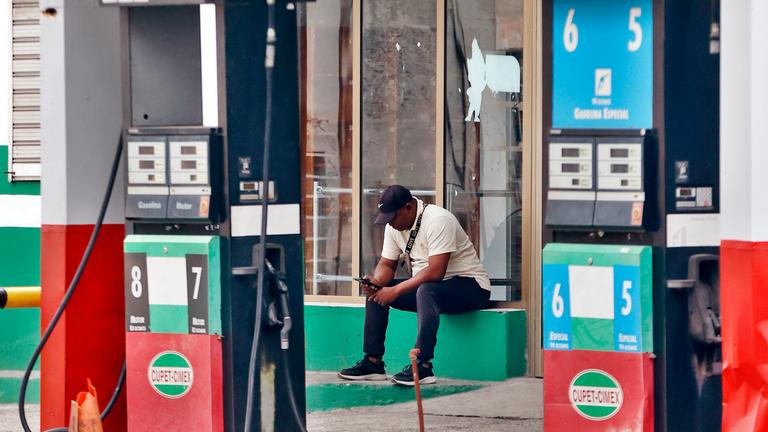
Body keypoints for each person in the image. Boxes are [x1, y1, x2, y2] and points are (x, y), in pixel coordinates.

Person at [338, 185, 491, 386]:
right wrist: (377, 283)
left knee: (426, 289)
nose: (390, 224)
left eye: (393, 217)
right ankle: (373, 362)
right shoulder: (394, 226)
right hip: (431, 291)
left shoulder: (438, 220)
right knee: (377, 293)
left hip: (471, 287)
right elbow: (387, 264)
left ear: (409, 207)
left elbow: (436, 271)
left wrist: (395, 291)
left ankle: (423, 365)